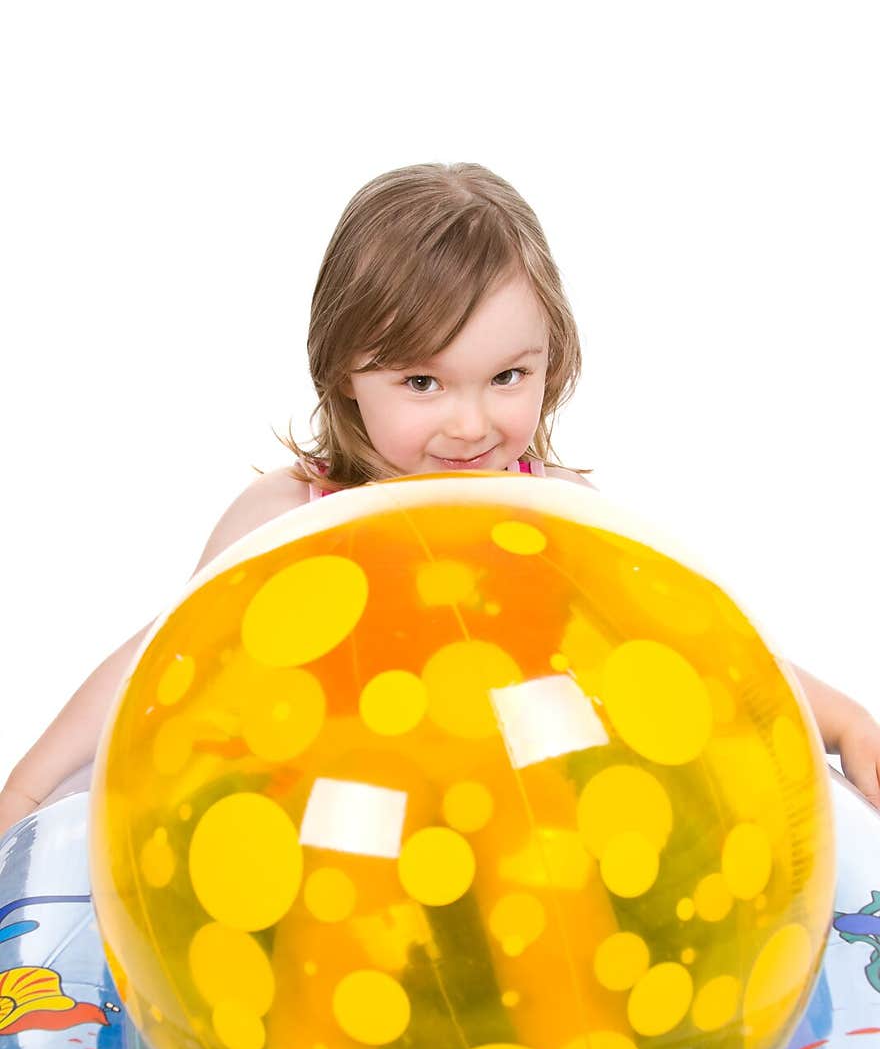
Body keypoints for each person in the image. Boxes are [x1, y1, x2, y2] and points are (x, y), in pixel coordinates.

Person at [1, 161, 879, 836]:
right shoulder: (289, 517)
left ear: (552, 364)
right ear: (347, 374)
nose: (470, 425)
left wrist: (841, 720)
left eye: (506, 377)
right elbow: (163, 667)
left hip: (521, 835)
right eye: (423, 382)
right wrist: (27, 795)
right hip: (330, 832)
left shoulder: (557, 515)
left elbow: (687, 643)